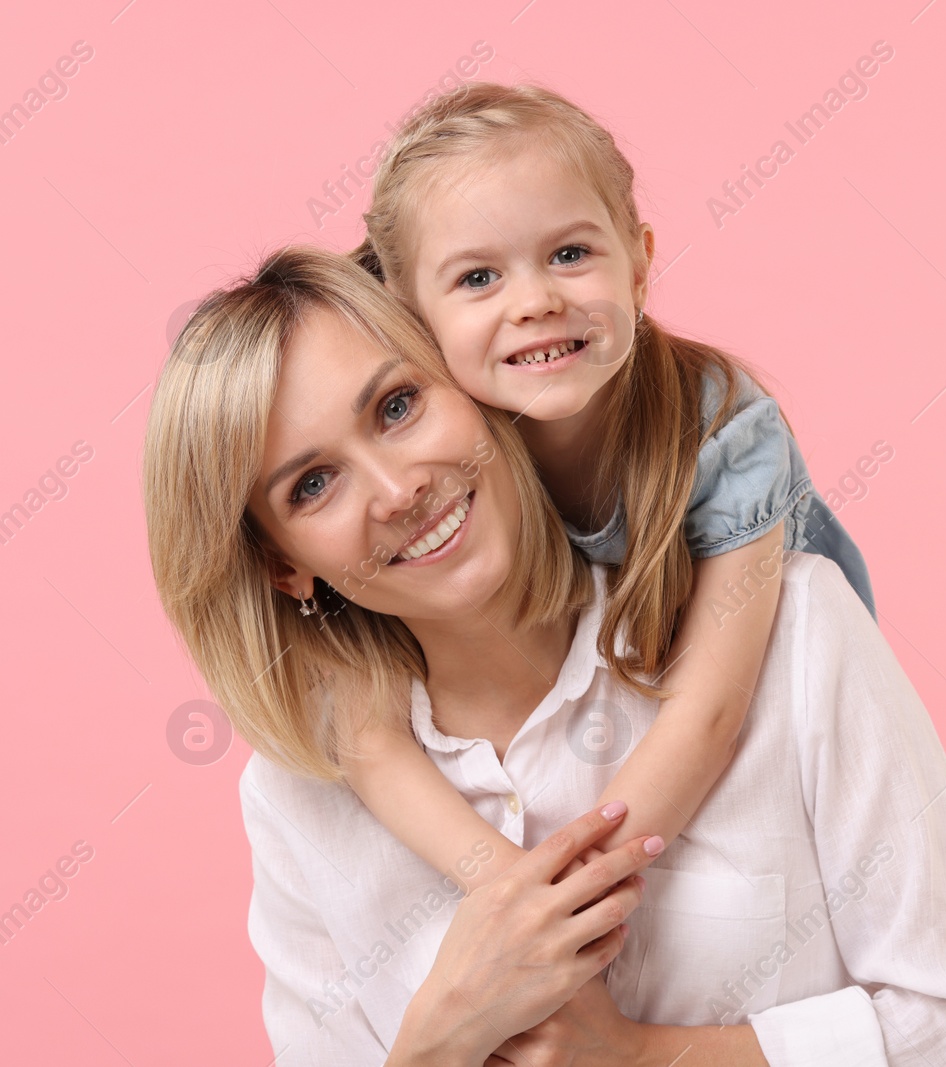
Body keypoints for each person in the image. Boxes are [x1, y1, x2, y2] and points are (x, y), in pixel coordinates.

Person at [143, 246, 946, 1064]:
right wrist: (439, 1037)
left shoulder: (795, 630)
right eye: (313, 484)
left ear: (471, 383)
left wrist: (639, 1058)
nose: (397, 489)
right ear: (283, 564)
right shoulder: (300, 799)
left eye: (398, 405)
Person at [333, 79, 878, 899]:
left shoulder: (723, 428)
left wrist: (574, 894)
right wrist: (506, 886)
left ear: (639, 267)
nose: (537, 301)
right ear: (415, 318)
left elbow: (710, 714)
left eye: (569, 254)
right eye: (478, 278)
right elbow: (365, 735)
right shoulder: (462, 444)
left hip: (773, 701)